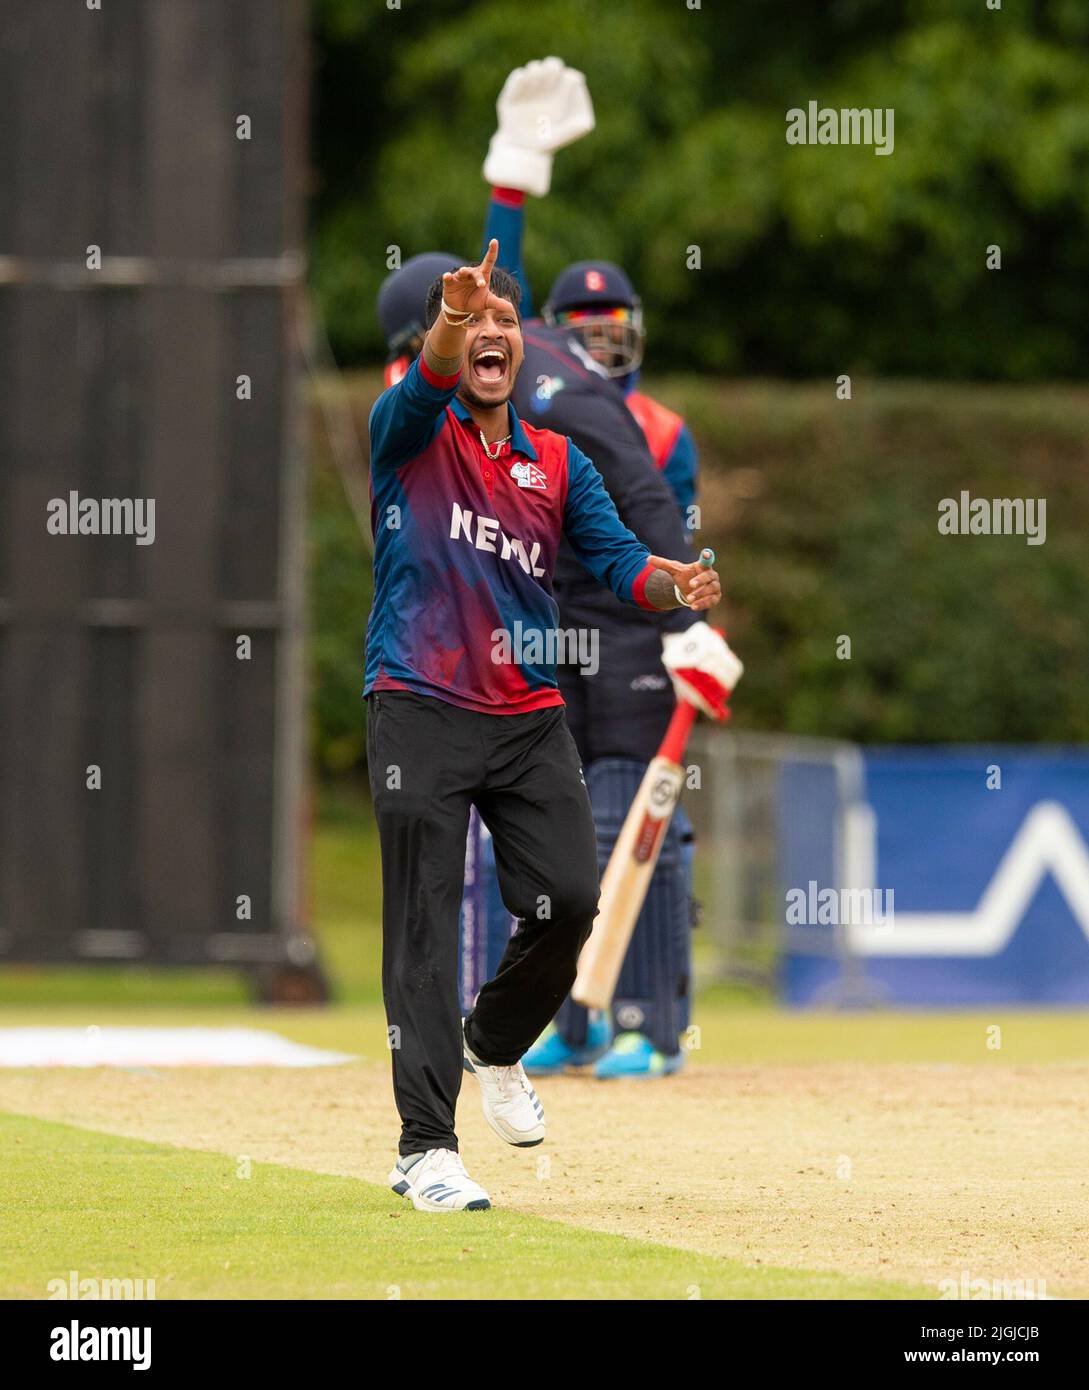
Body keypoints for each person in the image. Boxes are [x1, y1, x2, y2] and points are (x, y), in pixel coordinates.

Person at [367, 237, 727, 1212]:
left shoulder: (556, 461)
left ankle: (495, 1040)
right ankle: (425, 1148)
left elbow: (617, 559)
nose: (489, 336)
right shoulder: (405, 432)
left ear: (523, 347)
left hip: (526, 714)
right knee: (426, 925)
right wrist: (451, 317)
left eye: (502, 324)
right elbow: (430, 373)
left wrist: (674, 583)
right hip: (418, 700)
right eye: (471, 323)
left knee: (570, 898)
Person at [469, 58, 741, 1080]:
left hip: (628, 622)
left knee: (644, 822)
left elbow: (667, 522)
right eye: (576, 334)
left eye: (609, 333)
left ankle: (649, 1021)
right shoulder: (537, 375)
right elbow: (501, 306)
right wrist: (513, 181)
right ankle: (569, 1015)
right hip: (548, 622)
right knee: (553, 829)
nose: (591, 348)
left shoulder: (658, 425)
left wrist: (683, 626)